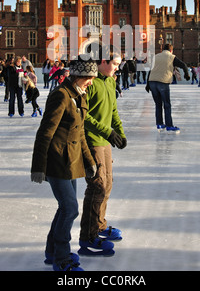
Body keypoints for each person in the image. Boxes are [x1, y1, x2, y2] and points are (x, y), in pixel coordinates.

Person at [31, 56, 98, 272]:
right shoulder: (60, 96)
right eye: (89, 78)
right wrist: (38, 166)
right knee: (70, 209)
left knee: (65, 208)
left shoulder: (80, 96)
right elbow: (45, 133)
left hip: (72, 162)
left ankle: (52, 251)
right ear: (79, 76)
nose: (91, 82)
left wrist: (89, 162)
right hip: (57, 161)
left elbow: (81, 134)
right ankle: (61, 258)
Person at [78, 45, 127, 257]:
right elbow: (84, 116)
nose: (117, 68)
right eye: (115, 64)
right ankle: (88, 237)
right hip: (92, 140)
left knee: (107, 185)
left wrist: (120, 132)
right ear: (103, 62)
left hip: (105, 141)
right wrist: (107, 132)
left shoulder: (109, 81)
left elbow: (113, 110)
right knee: (97, 186)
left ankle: (99, 225)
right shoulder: (91, 82)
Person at [146, 43, 190, 134]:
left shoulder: (156, 56)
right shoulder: (171, 57)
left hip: (152, 82)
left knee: (158, 104)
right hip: (163, 82)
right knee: (167, 104)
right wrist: (187, 74)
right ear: (171, 50)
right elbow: (184, 65)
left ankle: (159, 124)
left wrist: (147, 84)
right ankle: (169, 125)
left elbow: (150, 70)